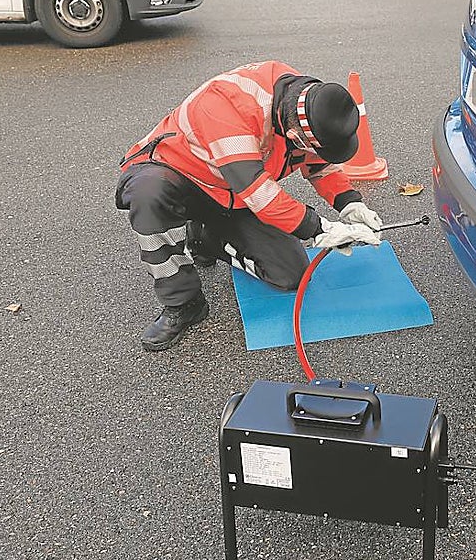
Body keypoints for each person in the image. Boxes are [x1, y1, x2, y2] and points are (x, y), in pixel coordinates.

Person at [115, 61, 384, 351]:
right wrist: (319, 228)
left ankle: (206, 239)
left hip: (232, 191)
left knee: (290, 274)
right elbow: (258, 192)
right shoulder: (227, 108)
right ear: (295, 138)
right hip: (179, 178)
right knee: (149, 195)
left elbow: (318, 164)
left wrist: (350, 203)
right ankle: (183, 301)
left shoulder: (301, 103)